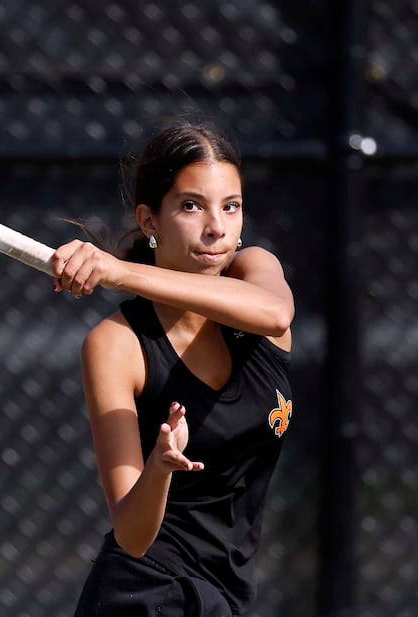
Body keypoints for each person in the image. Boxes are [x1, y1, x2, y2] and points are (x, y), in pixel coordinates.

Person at [50, 119, 295, 617]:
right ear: (149, 221)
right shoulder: (115, 346)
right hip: (146, 594)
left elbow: (276, 315)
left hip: (225, 596)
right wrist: (159, 469)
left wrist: (119, 271)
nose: (217, 228)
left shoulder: (257, 276)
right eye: (190, 205)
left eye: (231, 206)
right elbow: (133, 536)